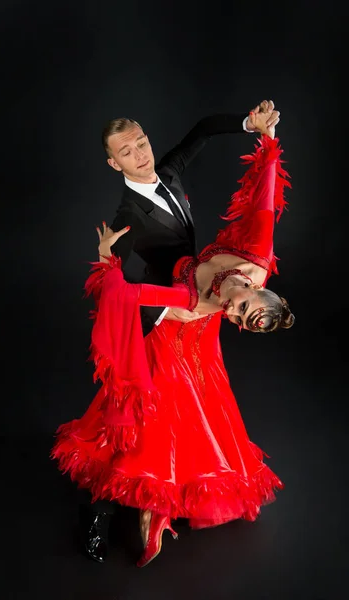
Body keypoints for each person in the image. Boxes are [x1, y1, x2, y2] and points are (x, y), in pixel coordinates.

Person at [51, 115, 294, 568]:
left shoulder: (169, 171)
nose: (140, 155)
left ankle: (161, 502)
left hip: (198, 325)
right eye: (128, 152)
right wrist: (110, 263)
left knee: (195, 415)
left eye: (141, 143)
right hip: (166, 314)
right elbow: (125, 294)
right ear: (113, 162)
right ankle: (103, 513)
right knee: (141, 417)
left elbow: (201, 134)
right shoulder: (127, 219)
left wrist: (256, 130)